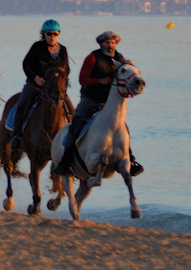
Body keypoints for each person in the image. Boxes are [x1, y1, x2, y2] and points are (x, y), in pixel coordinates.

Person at [56, 31, 143, 177]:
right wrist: (100, 81)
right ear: (101, 44)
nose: (111, 45)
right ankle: (65, 161)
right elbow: (82, 79)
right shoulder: (92, 58)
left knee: (123, 129)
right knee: (76, 125)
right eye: (108, 42)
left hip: (109, 103)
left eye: (113, 43)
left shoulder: (120, 59)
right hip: (90, 100)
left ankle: (130, 159)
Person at [8, 20, 69, 149]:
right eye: (49, 34)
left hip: (55, 87)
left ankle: (71, 139)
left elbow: (66, 70)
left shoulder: (63, 50)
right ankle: (16, 136)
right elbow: (26, 64)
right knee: (22, 104)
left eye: (55, 34)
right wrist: (35, 78)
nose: (52, 36)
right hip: (36, 84)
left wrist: (62, 84)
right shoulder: (37, 47)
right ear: (44, 34)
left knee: (71, 109)